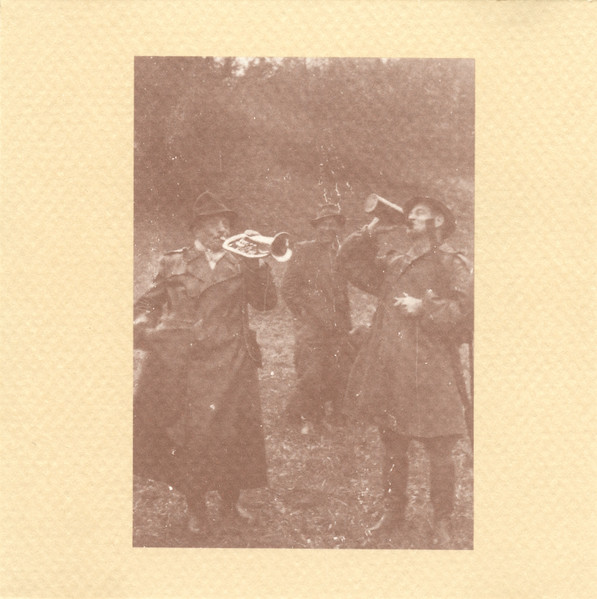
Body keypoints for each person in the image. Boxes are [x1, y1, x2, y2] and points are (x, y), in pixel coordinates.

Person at [133, 191, 277, 535]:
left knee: (235, 433)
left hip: (232, 359)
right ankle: (196, 507)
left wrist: (259, 264)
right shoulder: (174, 262)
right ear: (197, 229)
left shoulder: (242, 261)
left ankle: (230, 503)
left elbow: (266, 303)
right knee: (193, 437)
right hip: (187, 363)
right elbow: (149, 303)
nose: (222, 230)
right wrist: (143, 327)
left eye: (225, 223)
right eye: (213, 224)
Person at [337, 196, 473, 547]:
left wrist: (423, 306)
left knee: (439, 447)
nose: (410, 216)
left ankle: (442, 519)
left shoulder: (452, 262)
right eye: (410, 212)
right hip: (393, 368)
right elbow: (348, 265)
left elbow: (467, 310)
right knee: (393, 443)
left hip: (432, 369)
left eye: (420, 213)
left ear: (438, 222)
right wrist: (370, 232)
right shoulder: (396, 262)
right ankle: (393, 512)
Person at [281, 203, 353, 433]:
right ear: (316, 228)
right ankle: (302, 416)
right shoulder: (303, 251)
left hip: (337, 326)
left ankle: (332, 417)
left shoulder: (339, 254)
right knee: (311, 372)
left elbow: (342, 293)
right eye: (323, 224)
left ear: (338, 229)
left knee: (335, 370)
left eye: (333, 225)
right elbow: (288, 288)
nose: (327, 229)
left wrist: (344, 322)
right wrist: (304, 314)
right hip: (312, 326)